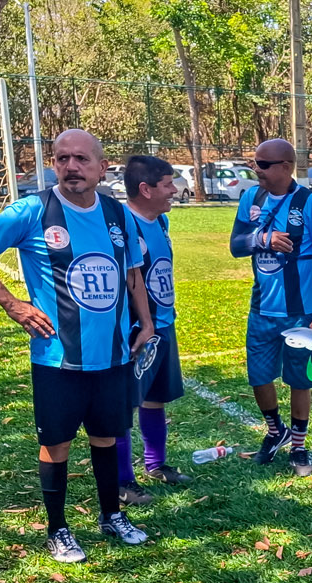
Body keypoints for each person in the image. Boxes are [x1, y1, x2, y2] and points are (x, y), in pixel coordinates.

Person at [0, 128, 155, 564]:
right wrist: (12, 304)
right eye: (62, 158)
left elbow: (132, 273)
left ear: (101, 167)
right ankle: (58, 529)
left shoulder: (118, 213)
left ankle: (112, 515)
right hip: (58, 357)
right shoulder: (33, 210)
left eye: (81, 159)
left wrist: (146, 323)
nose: (71, 167)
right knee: (57, 444)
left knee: (107, 437)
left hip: (113, 354)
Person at [229, 138, 312, 475]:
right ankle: (276, 431)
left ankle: (299, 446)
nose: (256, 169)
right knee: (259, 377)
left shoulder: (310, 203)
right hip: (262, 308)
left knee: (300, 380)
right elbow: (236, 245)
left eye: (263, 164)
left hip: (302, 310)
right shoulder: (251, 198)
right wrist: (264, 239)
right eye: (255, 163)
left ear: (286, 167)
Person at [114, 155, 190, 505]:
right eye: (168, 184)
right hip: (137, 331)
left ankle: (155, 464)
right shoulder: (121, 224)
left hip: (163, 325)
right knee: (125, 404)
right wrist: (139, 325)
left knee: (155, 397)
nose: (174, 190)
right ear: (145, 189)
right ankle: (123, 481)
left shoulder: (160, 221)